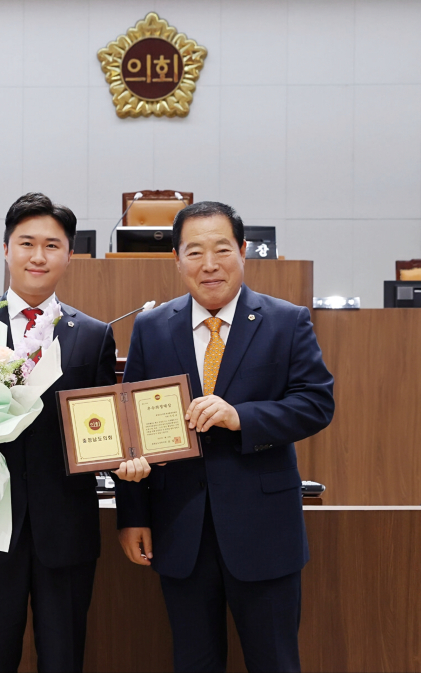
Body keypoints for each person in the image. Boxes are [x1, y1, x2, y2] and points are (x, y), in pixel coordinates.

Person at [0, 192, 137, 673]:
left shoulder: (93, 335)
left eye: (52, 245)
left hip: (66, 529)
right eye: (27, 243)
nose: (39, 256)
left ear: (69, 254)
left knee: (64, 660)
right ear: (6, 249)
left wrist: (126, 459)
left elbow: (105, 429)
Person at [114, 201, 335, 673]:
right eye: (194, 252)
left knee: (275, 662)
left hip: (264, 531)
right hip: (180, 530)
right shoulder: (152, 328)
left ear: (243, 250)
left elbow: (316, 404)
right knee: (193, 662)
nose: (209, 264)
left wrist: (241, 417)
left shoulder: (286, 320)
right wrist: (132, 515)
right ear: (177, 259)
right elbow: (130, 428)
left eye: (221, 249)